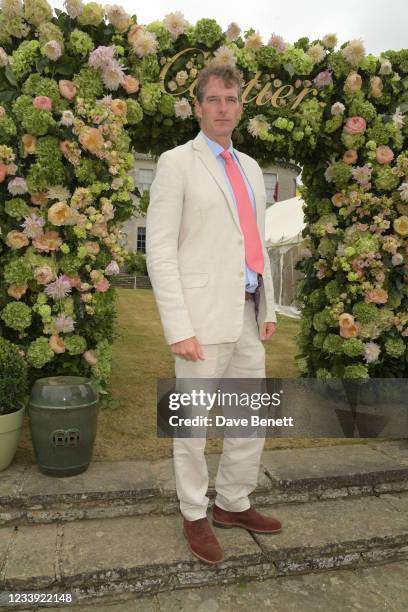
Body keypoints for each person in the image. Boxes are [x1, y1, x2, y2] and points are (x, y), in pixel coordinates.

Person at [146, 63, 282, 566]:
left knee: (250, 418)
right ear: (198, 106)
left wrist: (267, 305)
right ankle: (193, 511)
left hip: (247, 311)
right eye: (214, 100)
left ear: (241, 106)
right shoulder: (175, 163)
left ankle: (232, 502)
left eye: (231, 99)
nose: (223, 108)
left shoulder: (249, 167)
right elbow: (159, 250)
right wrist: (178, 326)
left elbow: (255, 242)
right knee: (193, 423)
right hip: (199, 319)